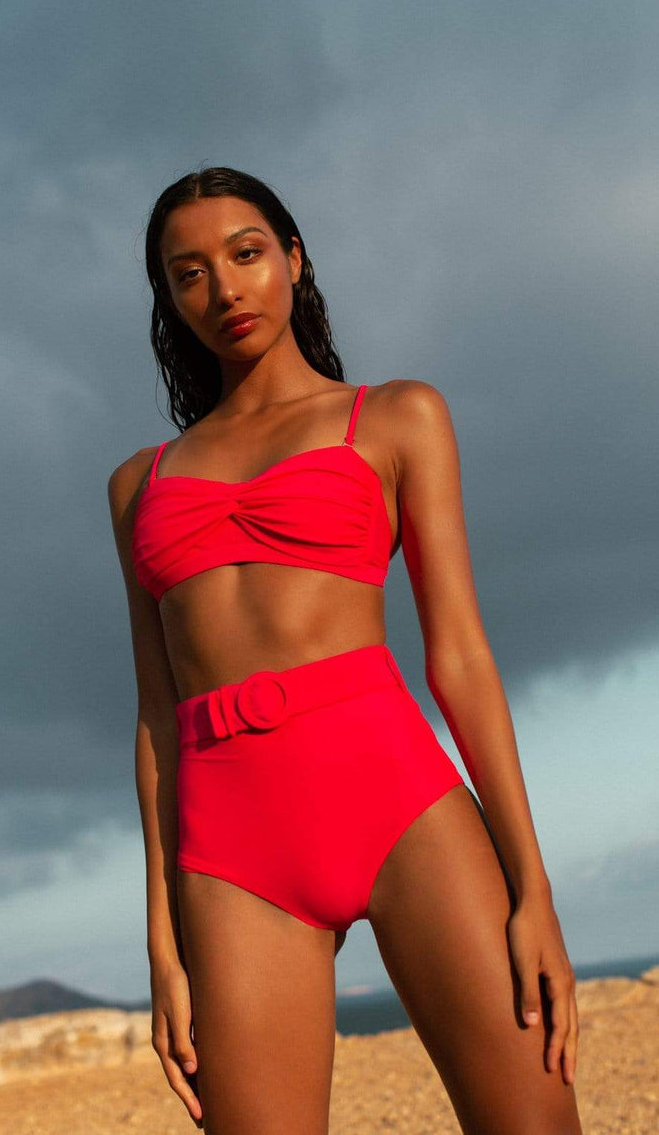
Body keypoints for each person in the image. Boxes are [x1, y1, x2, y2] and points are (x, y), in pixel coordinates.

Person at [108, 166, 584, 1135]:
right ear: (168, 299)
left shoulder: (397, 417)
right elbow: (156, 715)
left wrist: (532, 891)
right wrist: (162, 940)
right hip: (232, 850)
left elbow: (457, 659)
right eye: (188, 273)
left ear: (293, 259)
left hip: (400, 805)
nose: (225, 289)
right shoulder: (137, 485)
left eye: (245, 255)